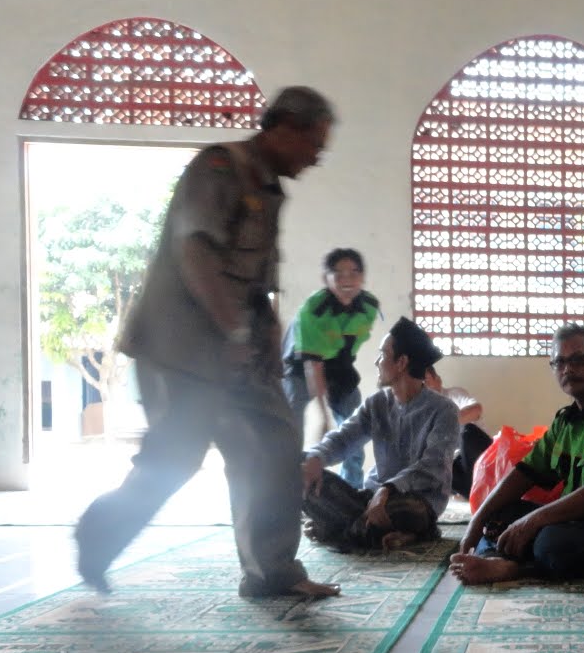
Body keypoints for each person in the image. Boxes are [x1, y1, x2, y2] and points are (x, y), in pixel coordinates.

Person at [74, 86, 341, 600]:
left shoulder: (268, 188)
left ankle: (272, 573)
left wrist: (264, 330)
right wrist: (234, 329)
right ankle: (96, 536)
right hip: (179, 351)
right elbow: (194, 248)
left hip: (237, 354)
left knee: (276, 445)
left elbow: (256, 278)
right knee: (175, 459)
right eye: (313, 143)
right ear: (283, 127)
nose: (316, 157)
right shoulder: (220, 167)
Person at [449, 323, 584, 584]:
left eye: (579, 359)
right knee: (499, 515)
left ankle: (513, 568)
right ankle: (495, 558)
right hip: (577, 522)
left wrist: (531, 522)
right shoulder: (566, 422)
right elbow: (524, 473)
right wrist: (478, 519)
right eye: (559, 362)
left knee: (552, 544)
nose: (568, 369)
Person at [300, 317, 460, 552]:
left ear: (401, 362)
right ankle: (375, 533)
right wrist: (316, 458)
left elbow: (431, 467)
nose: (377, 362)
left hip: (413, 502)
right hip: (370, 499)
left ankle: (338, 530)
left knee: (404, 511)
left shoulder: (444, 410)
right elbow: (343, 439)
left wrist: (388, 490)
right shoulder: (377, 404)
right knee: (298, 470)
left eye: (382, 355)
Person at [282, 247, 381, 487]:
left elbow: (349, 347)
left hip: (340, 364)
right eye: (338, 274)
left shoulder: (369, 306)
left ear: (363, 277)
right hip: (301, 366)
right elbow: (312, 363)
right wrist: (322, 413)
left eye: (354, 273)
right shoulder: (313, 310)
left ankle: (351, 491)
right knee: (291, 430)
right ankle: (289, 488)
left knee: (355, 431)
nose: (347, 280)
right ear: (325, 279)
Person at [421, 364, 493, 500]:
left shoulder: (454, 394)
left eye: (427, 381)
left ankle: (477, 488)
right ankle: (472, 492)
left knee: (467, 431)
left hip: (479, 456)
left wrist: (443, 422)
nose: (425, 387)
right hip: (457, 466)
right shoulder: (421, 412)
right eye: (421, 384)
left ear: (438, 380)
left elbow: (476, 409)